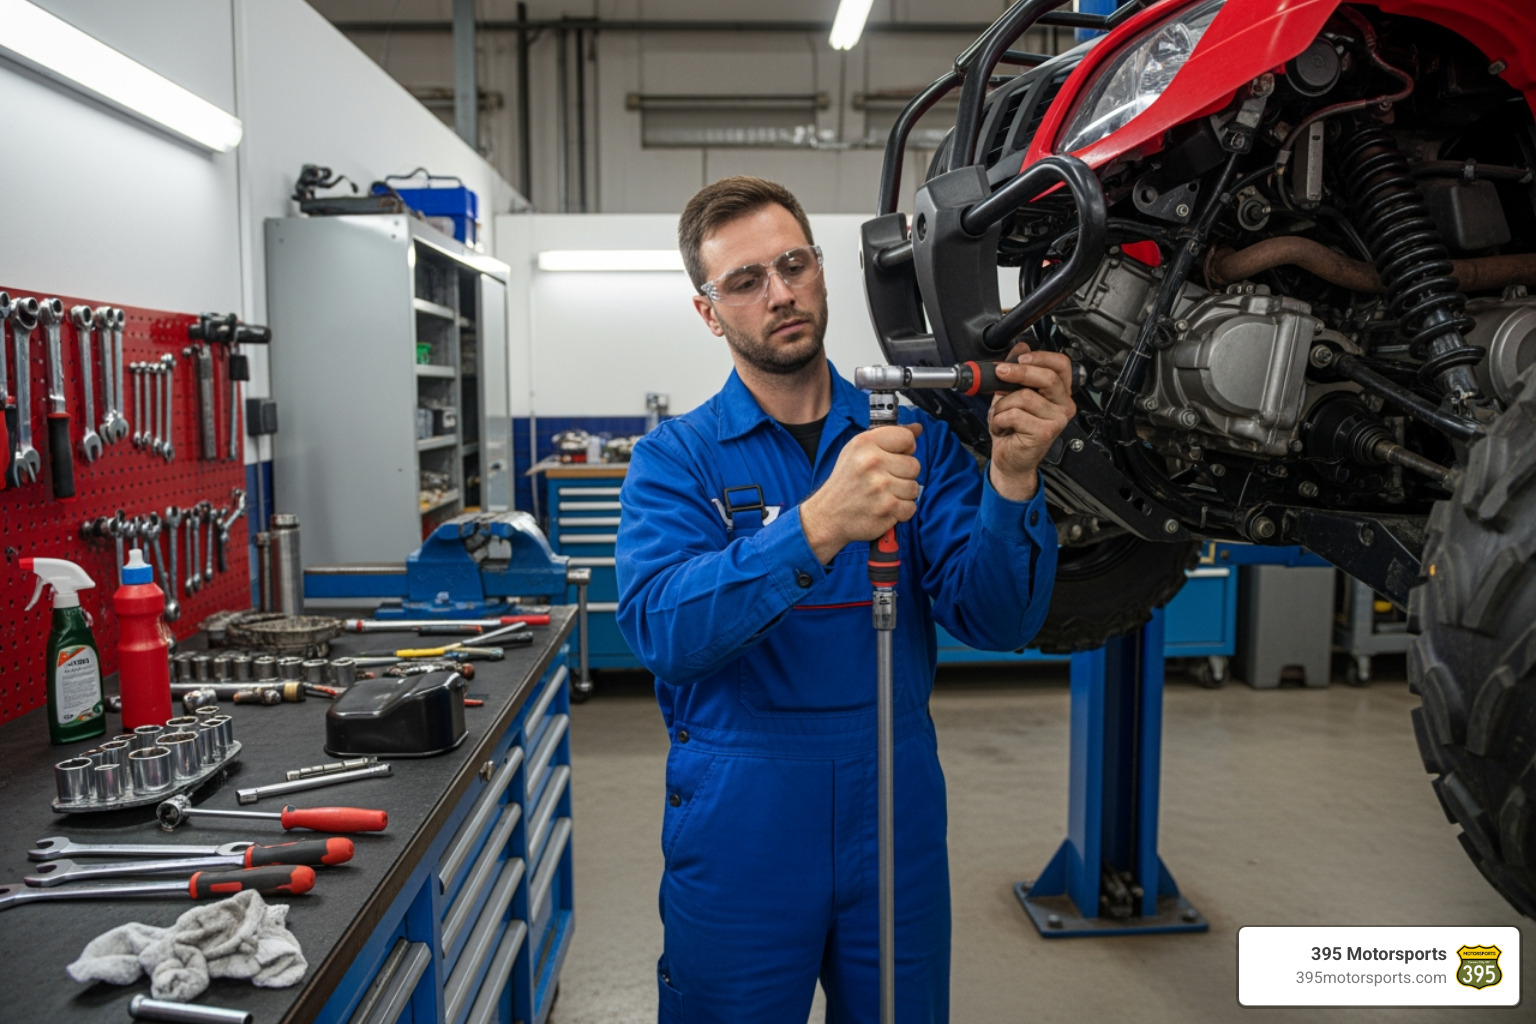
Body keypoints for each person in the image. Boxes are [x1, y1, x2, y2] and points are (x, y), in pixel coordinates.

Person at [615, 176, 1073, 1023]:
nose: (779, 292)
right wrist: (817, 525)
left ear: (822, 273)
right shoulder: (675, 461)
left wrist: (1012, 479)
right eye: (745, 281)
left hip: (893, 811)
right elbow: (662, 631)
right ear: (709, 313)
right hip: (742, 827)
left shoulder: (908, 436)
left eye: (794, 264)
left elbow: (1001, 620)